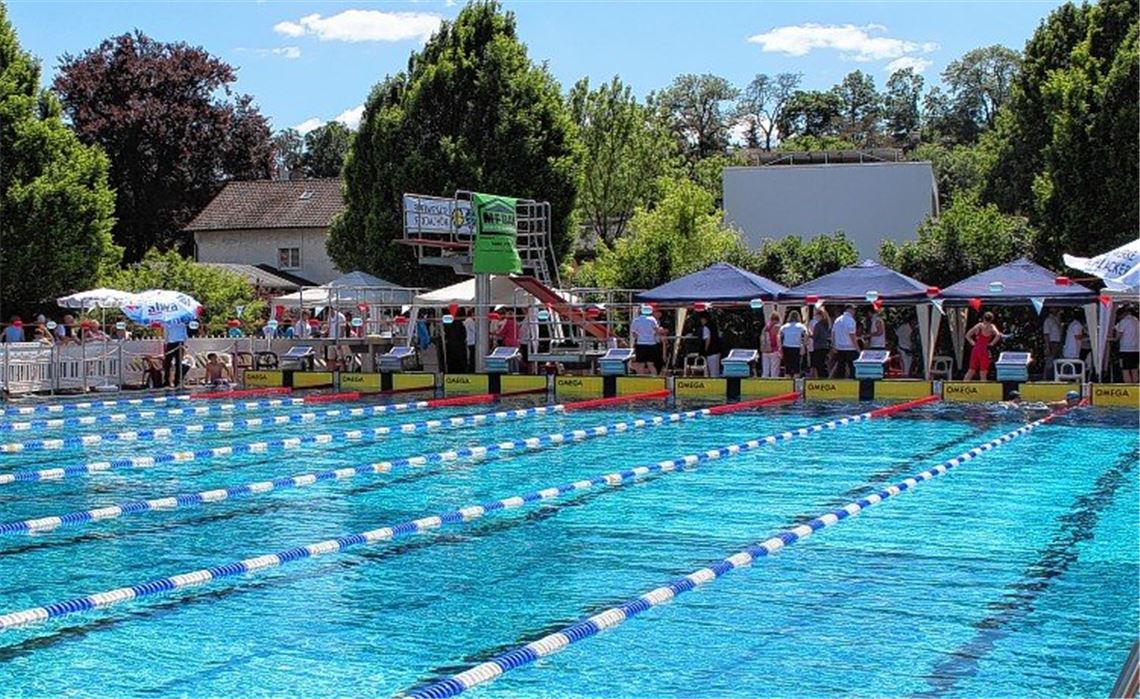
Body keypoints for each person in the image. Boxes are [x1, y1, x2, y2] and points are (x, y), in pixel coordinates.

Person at [963, 311, 1003, 381]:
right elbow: (998, 335)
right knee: (983, 372)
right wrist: (992, 343)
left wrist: (973, 343)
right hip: (984, 350)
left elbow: (967, 335)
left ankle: (962, 387)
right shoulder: (991, 326)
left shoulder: (979, 325)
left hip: (976, 349)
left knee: (971, 370)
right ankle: (983, 390)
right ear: (992, 319)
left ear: (983, 318)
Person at [630, 306, 661, 376]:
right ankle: (655, 378)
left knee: (640, 364)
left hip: (640, 344)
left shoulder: (636, 320)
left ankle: (641, 380)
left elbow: (634, 334)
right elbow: (657, 330)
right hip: (651, 344)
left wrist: (641, 336)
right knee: (650, 364)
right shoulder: (652, 319)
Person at [831, 305, 860, 379]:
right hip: (850, 348)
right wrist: (857, 348)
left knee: (840, 367)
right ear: (850, 310)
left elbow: (833, 333)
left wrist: (833, 345)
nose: (854, 312)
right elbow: (852, 335)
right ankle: (853, 382)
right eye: (854, 310)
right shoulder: (851, 320)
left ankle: (840, 382)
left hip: (839, 348)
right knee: (852, 367)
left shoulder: (837, 320)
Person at [779, 311, 808, 379]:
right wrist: (804, 345)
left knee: (787, 368)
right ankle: (796, 384)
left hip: (786, 347)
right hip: (797, 347)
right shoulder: (801, 326)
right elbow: (806, 335)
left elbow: (780, 336)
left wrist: (780, 347)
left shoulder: (784, 326)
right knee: (797, 368)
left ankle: (787, 383)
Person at [1114, 306, 1139, 383]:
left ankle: (1128, 386)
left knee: (1125, 369)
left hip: (1125, 348)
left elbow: (1118, 336)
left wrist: (1113, 339)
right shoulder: (1137, 321)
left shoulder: (1123, 321)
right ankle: (1136, 386)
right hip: (1136, 348)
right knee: (1134, 369)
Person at [162, 319, 189, 388]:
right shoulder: (168, 323)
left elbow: (185, 334)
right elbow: (166, 334)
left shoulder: (182, 323)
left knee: (178, 363)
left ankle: (177, 381)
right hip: (171, 343)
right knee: (168, 363)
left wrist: (185, 343)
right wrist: (165, 343)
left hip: (180, 343)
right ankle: (167, 381)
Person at [809, 307, 831, 378]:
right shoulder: (826, 324)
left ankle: (821, 377)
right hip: (824, 346)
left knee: (818, 365)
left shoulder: (818, 325)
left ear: (819, 316)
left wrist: (810, 334)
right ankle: (824, 376)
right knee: (822, 364)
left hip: (818, 347)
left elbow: (815, 337)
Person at [698, 312, 722, 377]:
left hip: (711, 352)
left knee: (712, 371)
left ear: (704, 319)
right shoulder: (714, 326)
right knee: (716, 370)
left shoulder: (706, 327)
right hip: (717, 351)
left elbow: (707, 340)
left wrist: (705, 350)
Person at [1042, 308, 1063, 380]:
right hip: (1052, 342)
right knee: (1050, 360)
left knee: (1056, 360)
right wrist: (1047, 346)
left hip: (1058, 342)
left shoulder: (1057, 319)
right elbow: (1046, 334)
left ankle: (1054, 376)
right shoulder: (1048, 320)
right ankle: (1045, 377)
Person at [760, 311, 782, 378]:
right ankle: (774, 386)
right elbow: (778, 339)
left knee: (765, 371)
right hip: (774, 350)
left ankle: (763, 385)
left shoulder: (766, 327)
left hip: (765, 351)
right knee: (774, 371)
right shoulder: (777, 327)